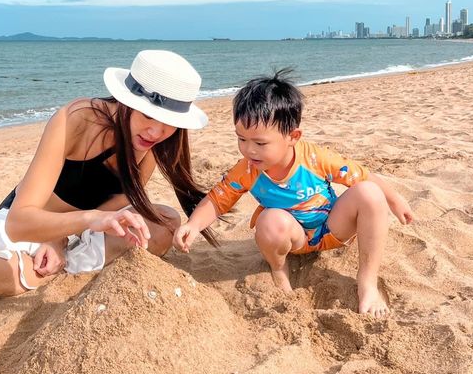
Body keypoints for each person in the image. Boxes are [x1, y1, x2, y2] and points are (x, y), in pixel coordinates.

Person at [0, 50, 212, 298]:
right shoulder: (78, 119)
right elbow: (18, 223)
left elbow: (116, 206)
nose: (156, 132)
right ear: (127, 102)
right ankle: (52, 265)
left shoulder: (153, 145)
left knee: (167, 222)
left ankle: (51, 268)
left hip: (83, 233)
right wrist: (59, 235)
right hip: (31, 223)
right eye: (149, 115)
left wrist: (73, 234)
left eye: (169, 122)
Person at [173, 70, 414, 317]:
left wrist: (395, 200)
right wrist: (193, 225)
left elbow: (361, 175)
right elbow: (217, 199)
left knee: (369, 192)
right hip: (292, 238)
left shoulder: (314, 158)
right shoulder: (246, 170)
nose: (249, 150)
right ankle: (279, 269)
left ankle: (367, 283)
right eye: (241, 139)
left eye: (260, 143)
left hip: (332, 228)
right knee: (269, 219)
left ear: (292, 137)